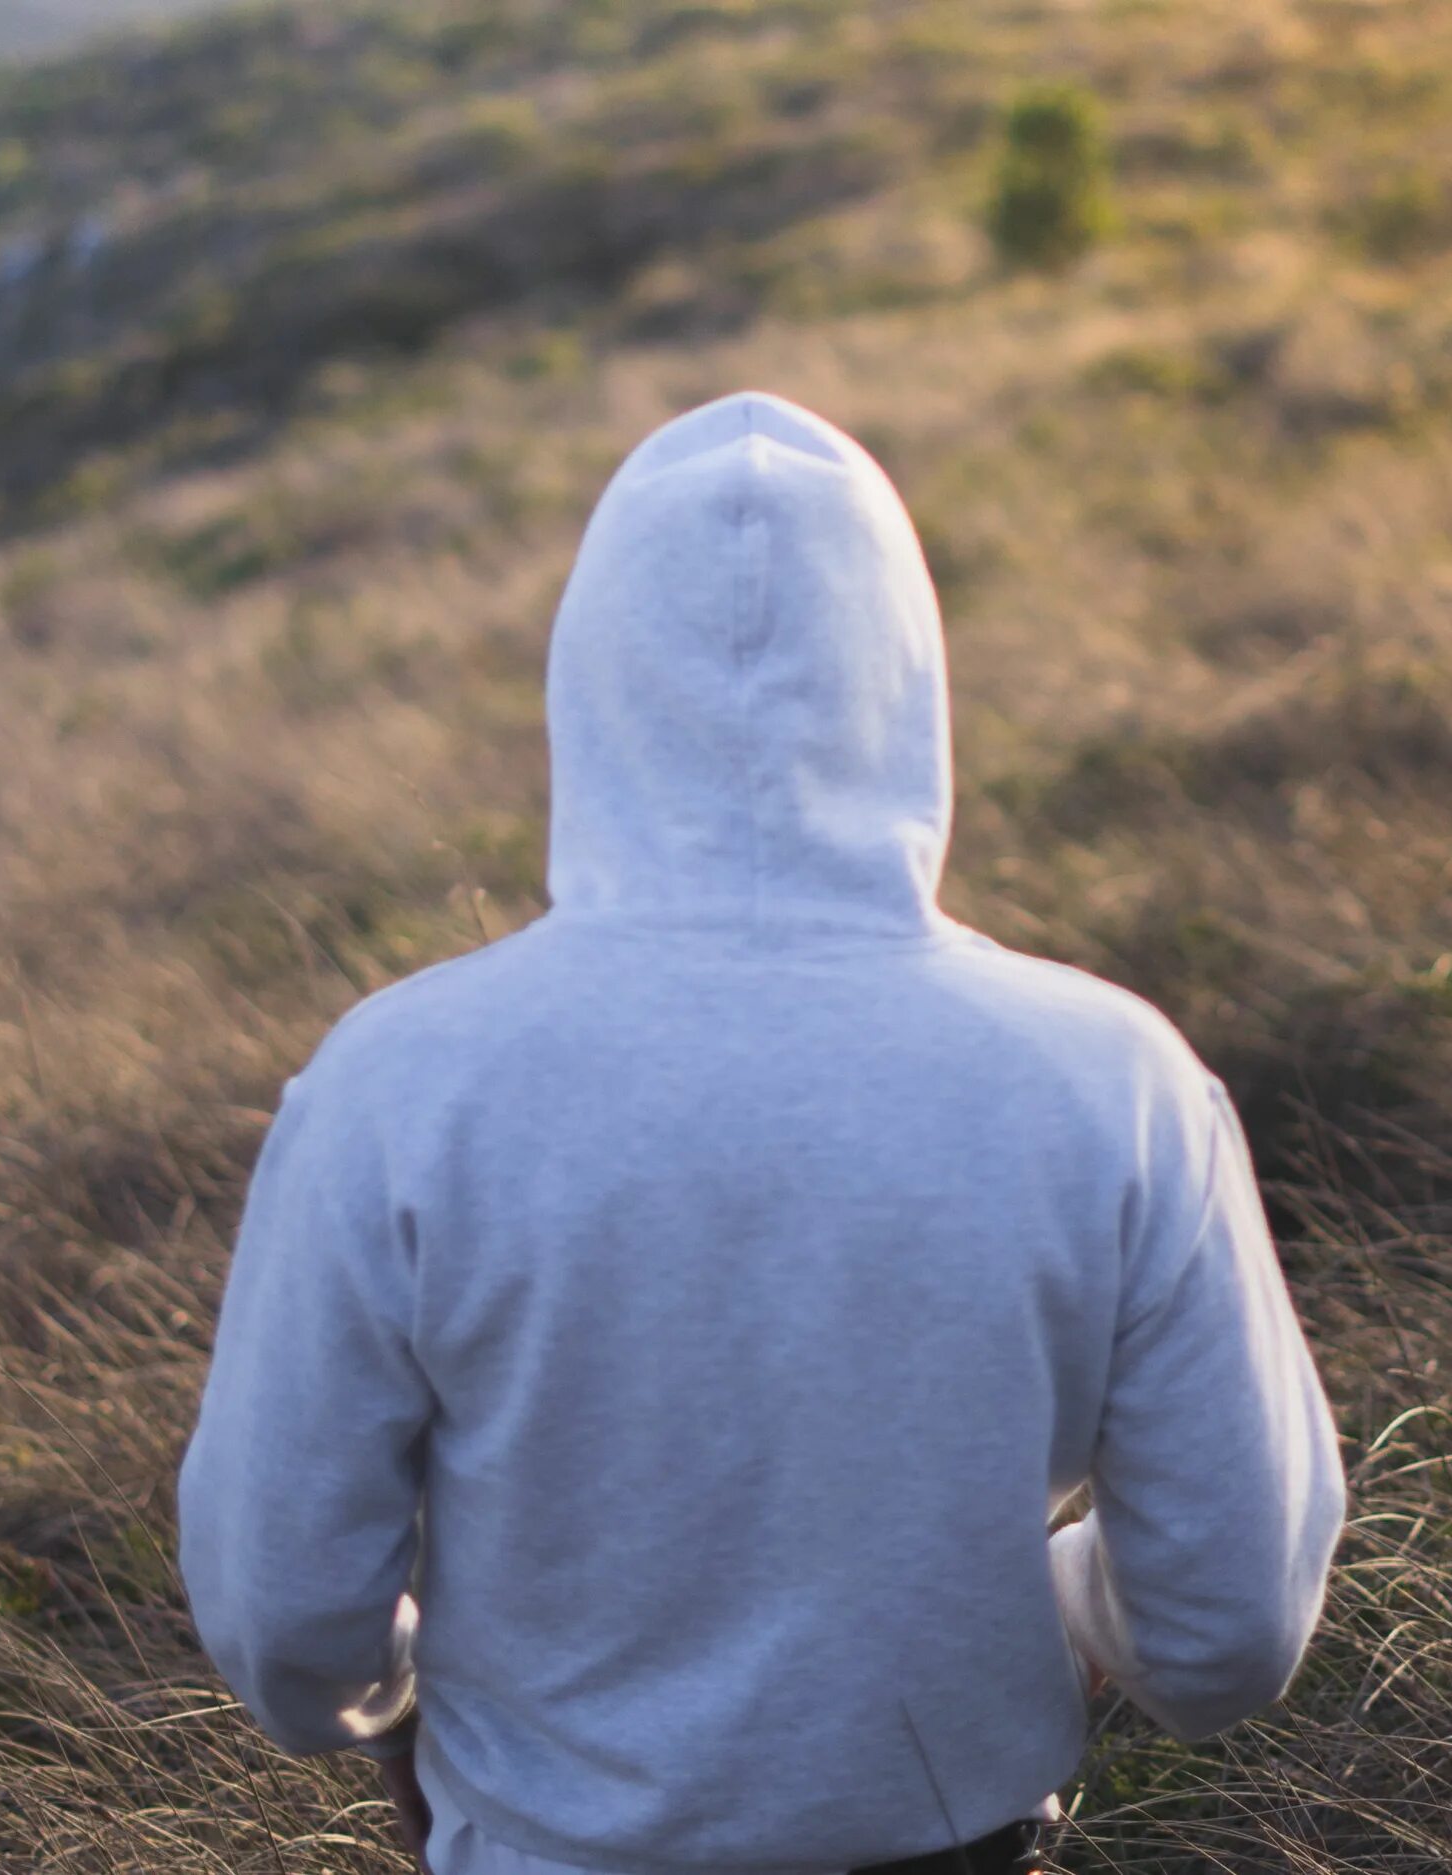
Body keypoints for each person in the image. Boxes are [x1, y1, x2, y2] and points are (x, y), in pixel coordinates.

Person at [178, 391, 1346, 1875]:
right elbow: (1232, 1623)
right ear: (904, 680)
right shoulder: (1110, 1079)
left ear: (587, 687)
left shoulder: (397, 1088)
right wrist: (1055, 1608)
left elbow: (285, 1610)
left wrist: (406, 1708)